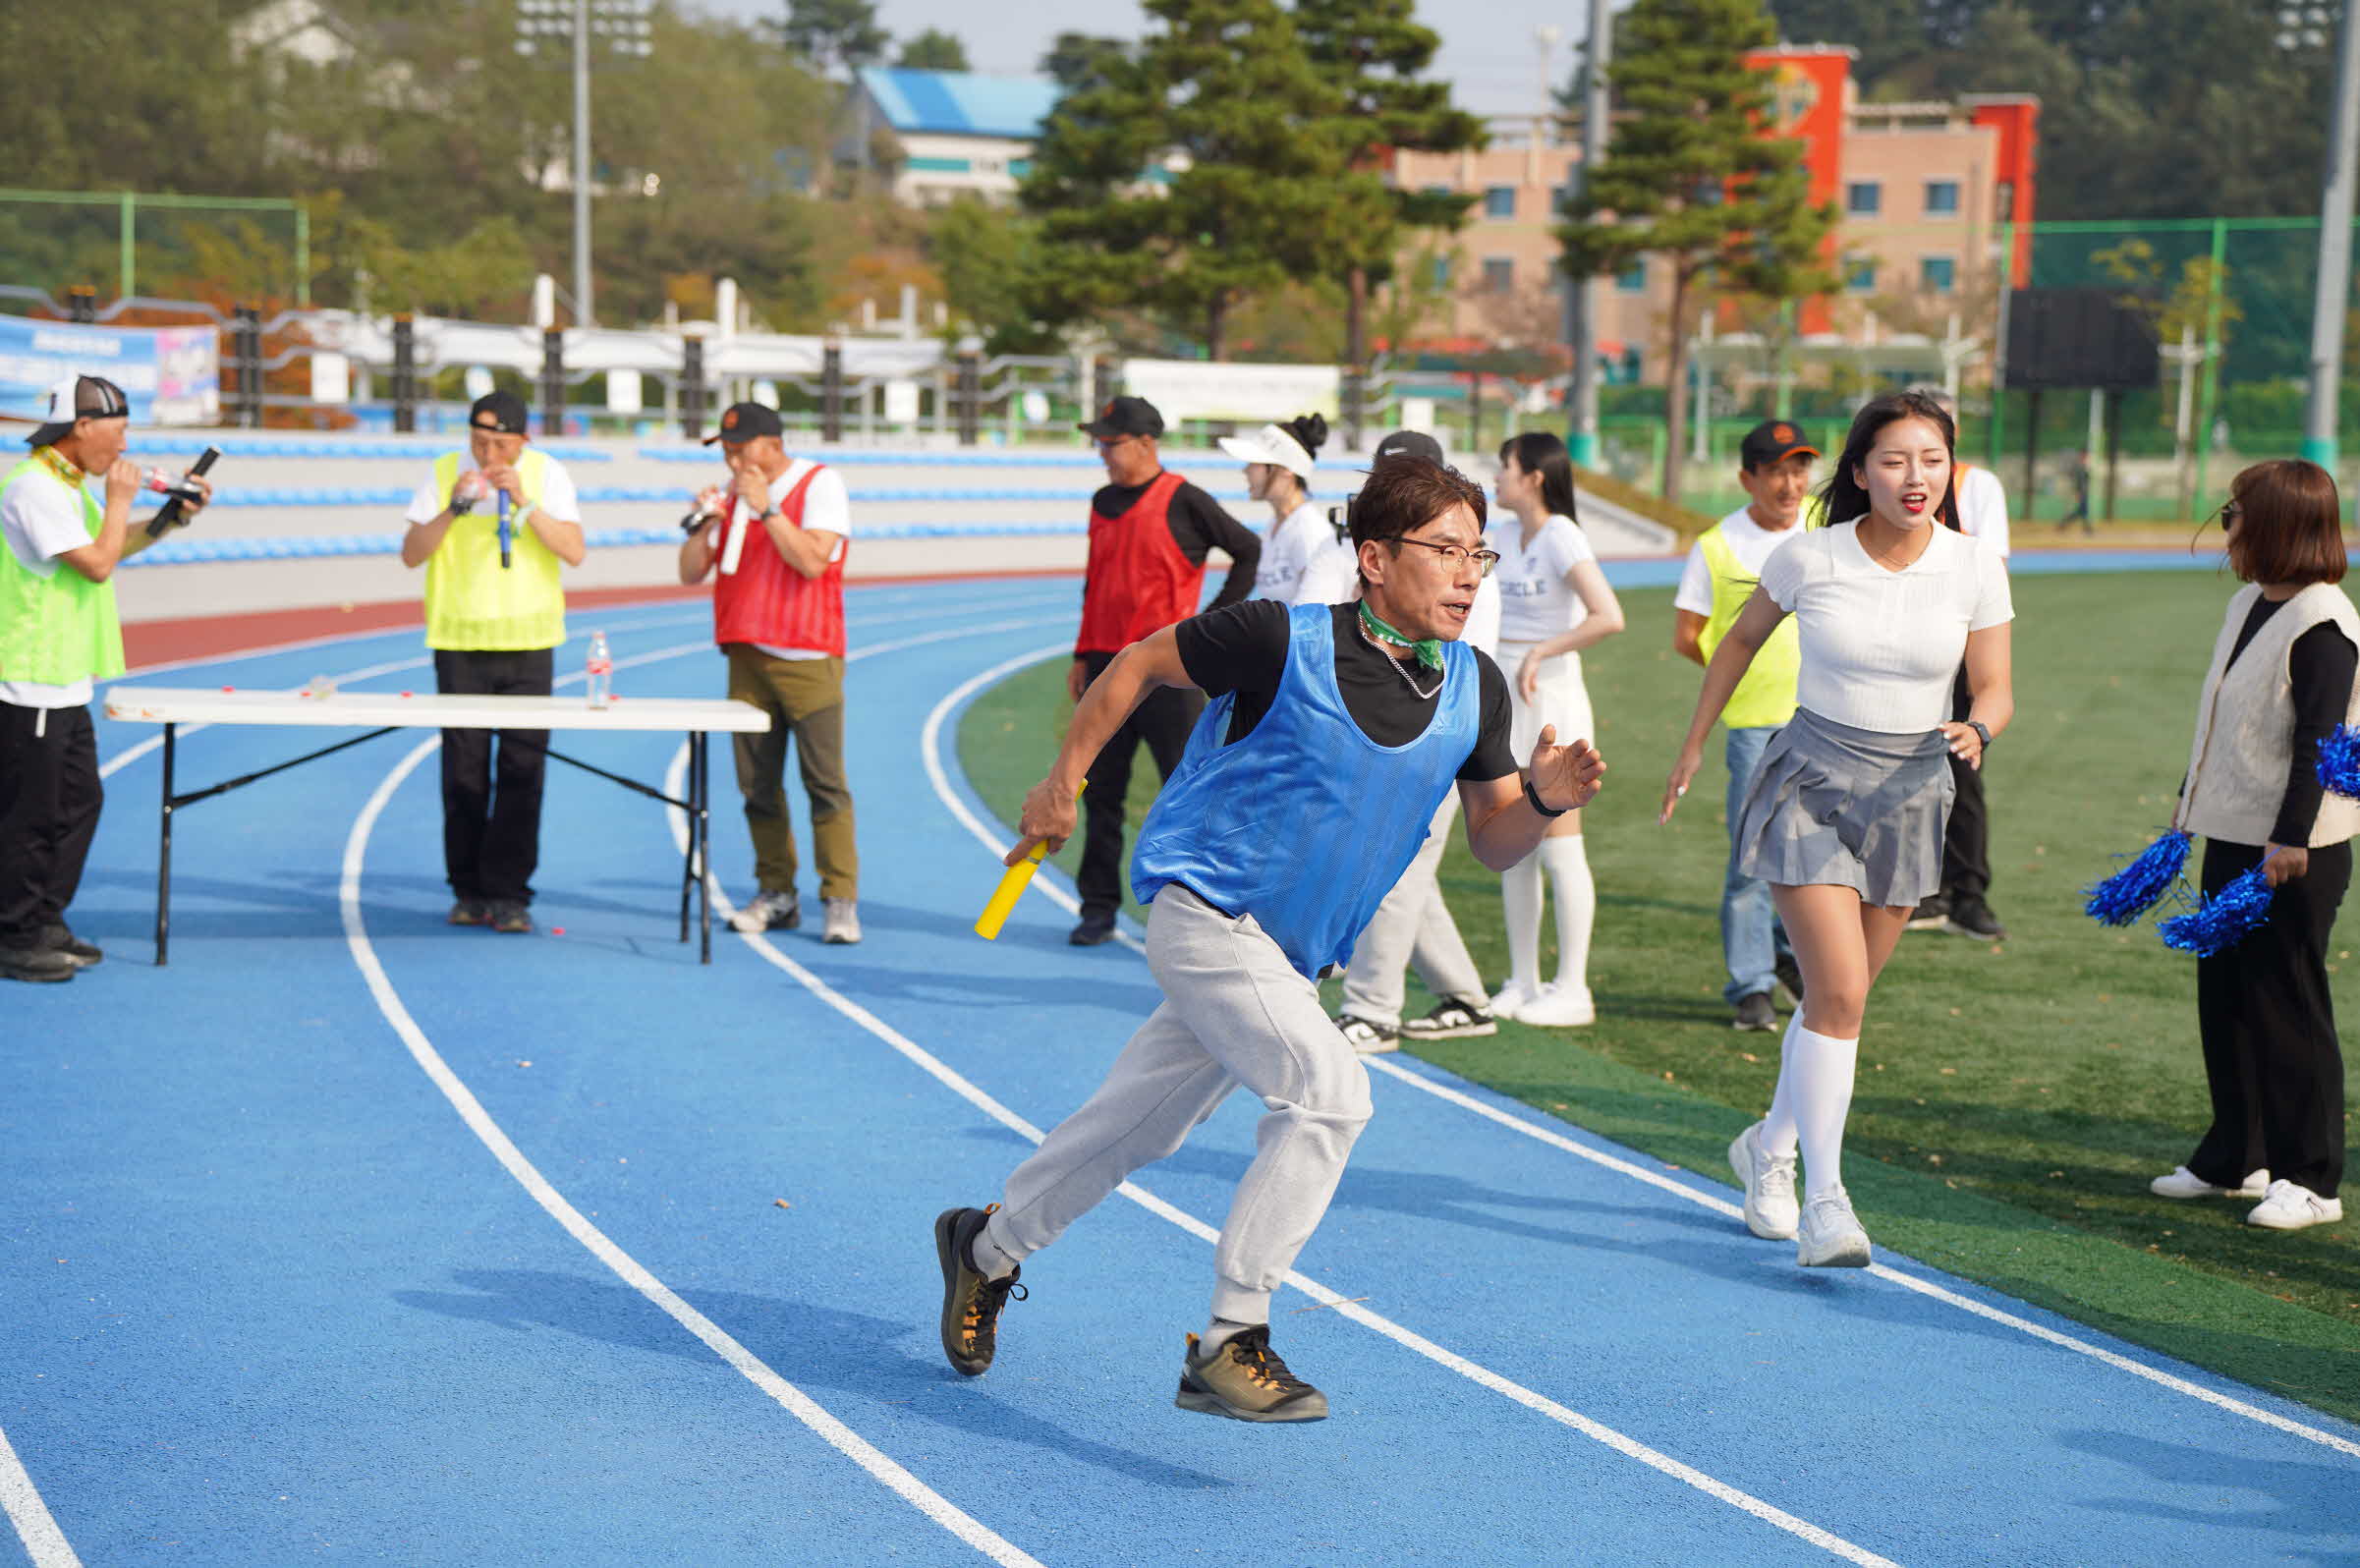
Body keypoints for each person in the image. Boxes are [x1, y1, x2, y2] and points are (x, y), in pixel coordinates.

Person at [934, 455, 1604, 1421]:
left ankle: (981, 1249)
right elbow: (1134, 666)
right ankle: (1229, 1338)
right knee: (1331, 1096)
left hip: (1285, 960)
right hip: (1203, 912)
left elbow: (1499, 843)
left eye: (1479, 554)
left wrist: (1541, 798)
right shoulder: (1274, 638)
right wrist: (1060, 783)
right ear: (1373, 558)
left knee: (1137, 1126)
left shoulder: (1476, 689)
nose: (1469, 573)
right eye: (1445, 551)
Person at [1662, 390, 2013, 1267]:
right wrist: (1695, 745)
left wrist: (1981, 726)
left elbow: (1997, 686)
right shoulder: (1808, 557)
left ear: (1950, 470)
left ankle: (1768, 1148)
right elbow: (1737, 643)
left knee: (1835, 1005)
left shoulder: (1975, 566)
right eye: (1894, 460)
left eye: (1932, 460)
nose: (1915, 477)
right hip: (1810, 782)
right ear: (1860, 472)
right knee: (1842, 996)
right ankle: (1827, 1200)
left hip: (1912, 794)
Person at [2147, 461, 2355, 1231]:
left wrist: (2290, 838)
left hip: (2293, 850)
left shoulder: (2324, 623)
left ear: (2273, 525)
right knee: (2228, 994)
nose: (2224, 524)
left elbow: (2322, 742)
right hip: (2232, 831)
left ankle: (2313, 1177)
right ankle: (2238, 1154)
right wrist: (2186, 801)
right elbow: (2225, 721)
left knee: (2287, 1000)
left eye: (2235, 512)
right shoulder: (2248, 603)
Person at [0, 374, 210, 982]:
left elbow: (113, 546)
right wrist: (120, 501)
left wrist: (168, 518)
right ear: (81, 428)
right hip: (29, 678)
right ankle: (14, 932)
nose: (123, 449)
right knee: (30, 815)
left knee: (78, 804)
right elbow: (96, 565)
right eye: (116, 434)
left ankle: (44, 919)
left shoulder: (67, 487)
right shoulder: (32, 489)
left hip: (64, 678)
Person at [1332, 430, 1506, 1052]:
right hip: (1393, 732)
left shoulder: (1453, 562)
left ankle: (1374, 1009)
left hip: (1440, 736)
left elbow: (1450, 658)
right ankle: (1464, 995)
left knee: (1395, 864)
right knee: (1409, 868)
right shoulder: (1390, 553)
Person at [1067, 395, 1261, 947]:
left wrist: (1210, 626)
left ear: (1146, 444)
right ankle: (1097, 908)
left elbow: (1248, 550)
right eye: (1099, 442)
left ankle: (1198, 916)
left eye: (1111, 443)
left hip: (1167, 672)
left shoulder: (1186, 499)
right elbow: (1096, 580)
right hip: (1106, 666)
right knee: (1101, 791)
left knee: (1187, 794)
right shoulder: (1102, 500)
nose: (1102, 453)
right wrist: (1083, 654)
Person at [400, 389, 586, 935]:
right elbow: (412, 553)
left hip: (529, 641)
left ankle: (510, 893)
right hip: (460, 640)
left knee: (523, 773)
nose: (489, 456)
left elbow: (573, 550)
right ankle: (467, 889)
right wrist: (455, 507)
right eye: (480, 442)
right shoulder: (442, 472)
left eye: (501, 445)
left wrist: (525, 502)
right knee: (463, 776)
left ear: (523, 440)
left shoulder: (548, 473)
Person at [677, 401, 861, 945]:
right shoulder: (733, 493)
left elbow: (812, 561)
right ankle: (776, 891)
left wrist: (766, 510)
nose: (732, 460)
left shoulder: (820, 484)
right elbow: (689, 573)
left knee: (824, 784)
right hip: (746, 657)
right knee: (757, 786)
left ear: (771, 444)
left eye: (740, 448)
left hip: (808, 656)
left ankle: (840, 898)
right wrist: (705, 523)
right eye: (726, 450)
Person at [1671, 420, 1816, 1033]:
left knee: (1814, 855)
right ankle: (1751, 984)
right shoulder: (1716, 545)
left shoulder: (1830, 525)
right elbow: (1687, 635)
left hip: (1827, 721)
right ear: (1747, 479)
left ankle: (1787, 955)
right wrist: (1740, 676)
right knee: (1752, 858)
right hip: (1755, 726)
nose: (1791, 484)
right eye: (1777, 471)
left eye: (1800, 469)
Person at [1486, 430, 1626, 1026]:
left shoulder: (1562, 534)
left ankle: (1573, 988)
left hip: (1554, 701)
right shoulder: (1499, 536)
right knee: (1516, 845)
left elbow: (1608, 616)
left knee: (1561, 849)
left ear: (1534, 477)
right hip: (1507, 698)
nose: (1496, 477)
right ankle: (1523, 979)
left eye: (1504, 467)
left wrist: (1542, 651)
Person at [1909, 391, 2012, 941]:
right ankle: (1922, 891)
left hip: (1957, 644)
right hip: (1904, 645)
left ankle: (1968, 893)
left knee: (1962, 773)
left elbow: (1990, 564)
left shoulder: (1976, 483)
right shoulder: (1889, 479)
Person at [1218, 414, 1328, 604]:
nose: (1246, 470)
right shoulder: (1275, 527)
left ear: (1286, 470)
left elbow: (1318, 615)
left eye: (1255, 462)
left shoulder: (1309, 531)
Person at [2059, 449, 2093, 534]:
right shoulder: (2079, 466)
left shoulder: (2084, 466)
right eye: (2085, 455)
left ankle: (2064, 523)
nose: (2087, 457)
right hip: (2081, 492)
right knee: (2083, 510)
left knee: (2081, 511)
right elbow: (2078, 481)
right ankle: (2087, 528)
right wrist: (2078, 492)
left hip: (2084, 491)